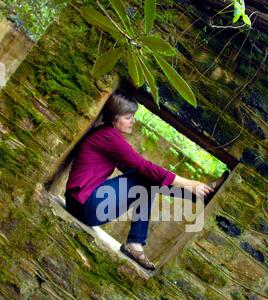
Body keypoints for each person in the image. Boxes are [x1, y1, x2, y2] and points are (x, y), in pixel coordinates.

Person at [64, 91, 228, 271]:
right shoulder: (109, 136)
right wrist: (191, 184)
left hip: (84, 206)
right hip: (84, 205)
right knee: (145, 177)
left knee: (146, 178)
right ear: (114, 117)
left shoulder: (108, 135)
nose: (133, 121)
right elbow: (143, 166)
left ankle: (199, 196)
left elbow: (134, 169)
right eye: (128, 117)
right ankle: (136, 243)